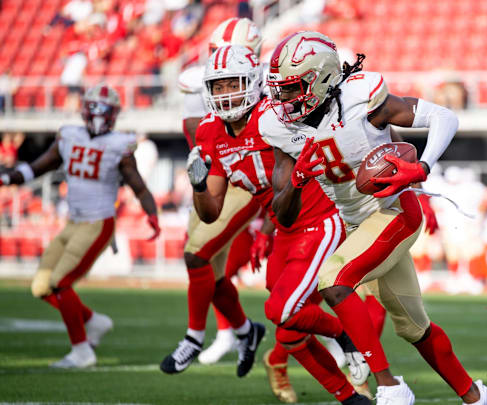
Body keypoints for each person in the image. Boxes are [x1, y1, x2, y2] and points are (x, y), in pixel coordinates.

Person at [260, 31, 487, 405]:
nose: (282, 101)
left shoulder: (361, 99)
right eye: (279, 90)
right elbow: (283, 213)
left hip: (394, 211)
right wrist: (298, 180)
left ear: (318, 79)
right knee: (414, 327)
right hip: (356, 225)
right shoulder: (279, 127)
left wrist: (420, 167)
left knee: (334, 280)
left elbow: (444, 118)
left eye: (291, 89)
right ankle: (477, 397)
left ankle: (389, 387)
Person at [186, 44, 370, 404]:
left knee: (282, 311)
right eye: (218, 86)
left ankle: (349, 341)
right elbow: (210, 211)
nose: (225, 95)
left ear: (253, 82)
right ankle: (350, 398)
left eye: (232, 83)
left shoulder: (276, 114)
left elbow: (320, 145)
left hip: (321, 217)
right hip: (285, 227)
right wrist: (196, 185)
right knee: (288, 330)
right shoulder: (209, 132)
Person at [0, 84, 160, 368]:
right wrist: (9, 178)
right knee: (41, 287)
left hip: (97, 223)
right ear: (85, 110)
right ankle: (93, 322)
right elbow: (40, 165)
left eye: (104, 110)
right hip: (72, 222)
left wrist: (152, 214)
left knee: (60, 282)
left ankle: (82, 351)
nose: (98, 115)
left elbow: (138, 186)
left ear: (114, 114)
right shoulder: (69, 135)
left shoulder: (119, 145)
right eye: (94, 108)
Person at [160, 17, 268, 379]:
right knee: (210, 271)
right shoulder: (202, 82)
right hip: (213, 172)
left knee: (197, 255)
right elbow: (198, 133)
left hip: (246, 175)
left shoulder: (264, 86)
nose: (225, 70)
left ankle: (193, 337)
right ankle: (244, 331)